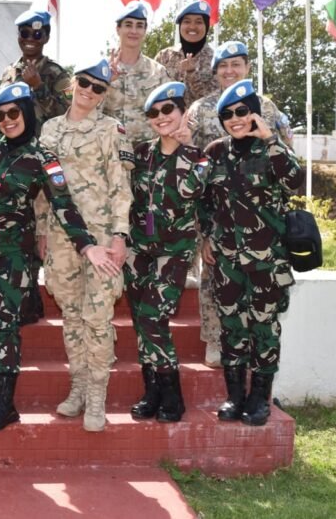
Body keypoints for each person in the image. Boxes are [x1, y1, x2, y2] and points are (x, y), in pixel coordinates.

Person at [0, 81, 120, 432]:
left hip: (11, 256)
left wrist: (87, 245)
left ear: (28, 112)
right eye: (0, 115)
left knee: (3, 326)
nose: (7, 121)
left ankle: (4, 402)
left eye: (14, 113)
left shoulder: (42, 159)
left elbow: (63, 206)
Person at [199, 80, 304, 427]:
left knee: (264, 328)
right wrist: (205, 238)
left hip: (266, 260)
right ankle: (235, 396)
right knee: (232, 327)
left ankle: (260, 397)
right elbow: (203, 202)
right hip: (227, 259)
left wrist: (270, 139)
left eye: (242, 111)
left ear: (255, 113)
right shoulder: (215, 152)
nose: (235, 119)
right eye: (227, 115)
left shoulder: (273, 150)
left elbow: (295, 182)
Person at [38, 58, 134, 432]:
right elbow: (44, 189)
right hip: (61, 238)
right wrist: (40, 231)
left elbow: (120, 186)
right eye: (84, 83)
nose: (88, 91)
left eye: (98, 88)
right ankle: (77, 385)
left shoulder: (112, 130)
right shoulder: (50, 129)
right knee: (72, 315)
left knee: (97, 317)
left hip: (102, 236)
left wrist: (120, 235)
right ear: (73, 83)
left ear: (104, 96)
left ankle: (97, 395)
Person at [185, 40, 294, 366]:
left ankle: (252, 341)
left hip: (259, 214)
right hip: (216, 210)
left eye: (236, 64)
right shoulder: (200, 110)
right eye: (223, 66)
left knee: (259, 280)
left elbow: (287, 157)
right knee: (213, 276)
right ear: (215, 72)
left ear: (247, 67)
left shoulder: (268, 108)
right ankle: (215, 339)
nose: (230, 71)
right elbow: (190, 157)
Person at [124, 81, 207, 423]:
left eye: (167, 110)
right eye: (153, 113)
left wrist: (208, 243)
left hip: (174, 251)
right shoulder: (141, 153)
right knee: (141, 322)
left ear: (181, 112)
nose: (161, 117)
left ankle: (172, 394)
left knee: (152, 317)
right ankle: (152, 391)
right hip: (139, 250)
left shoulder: (199, 159)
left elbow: (211, 204)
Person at [103, 0, 171, 143]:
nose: (134, 31)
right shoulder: (101, 69)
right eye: (128, 25)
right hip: (109, 153)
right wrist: (104, 81)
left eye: (139, 26)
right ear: (118, 29)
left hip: (146, 156)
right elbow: (85, 109)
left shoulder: (158, 72)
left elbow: (169, 114)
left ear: (145, 31)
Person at [0, 10, 71, 133]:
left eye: (37, 34)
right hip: (12, 147)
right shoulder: (8, 72)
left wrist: (39, 87)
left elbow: (67, 115)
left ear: (46, 38)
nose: (30, 39)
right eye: (25, 33)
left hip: (43, 147)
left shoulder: (58, 74)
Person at [153, 0, 217, 107]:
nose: (192, 27)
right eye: (187, 21)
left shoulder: (217, 59)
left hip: (202, 122)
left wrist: (192, 74)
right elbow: (152, 94)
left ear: (206, 26)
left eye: (199, 22)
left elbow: (215, 99)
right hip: (167, 122)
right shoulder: (164, 57)